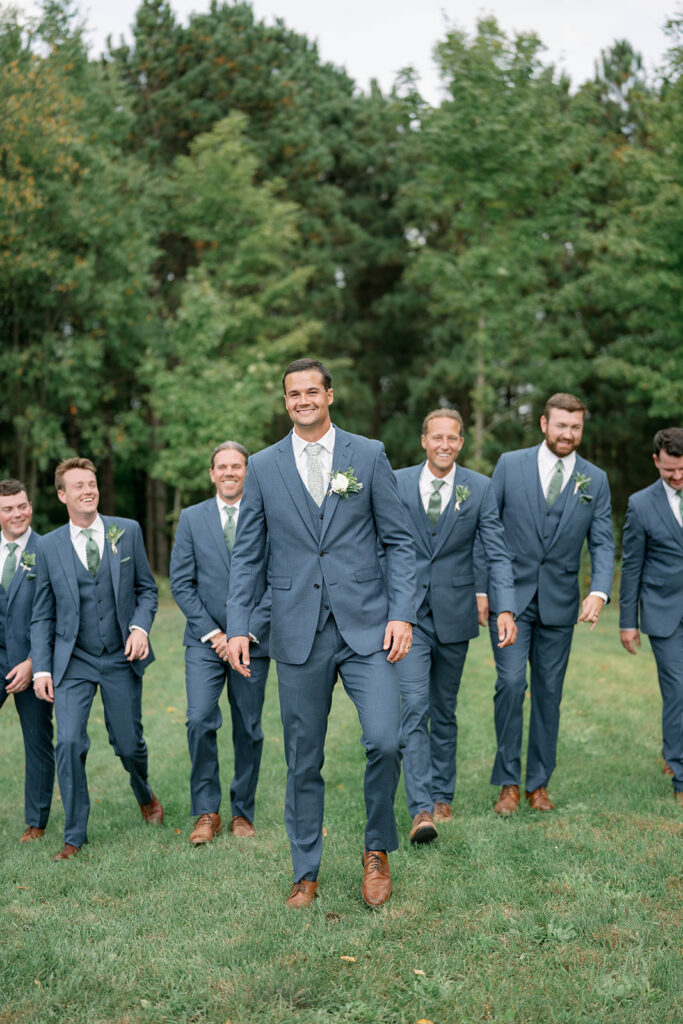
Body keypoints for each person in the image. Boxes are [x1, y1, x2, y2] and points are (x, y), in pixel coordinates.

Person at [227, 358, 416, 908]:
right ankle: (305, 872)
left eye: (313, 391)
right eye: (294, 394)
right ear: (285, 401)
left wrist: (402, 613)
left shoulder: (368, 454)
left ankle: (376, 850)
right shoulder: (263, 466)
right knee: (303, 759)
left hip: (368, 627)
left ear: (330, 395)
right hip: (295, 631)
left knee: (385, 739)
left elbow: (400, 541)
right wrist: (238, 625)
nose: (303, 400)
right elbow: (248, 554)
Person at [483, 393, 614, 814]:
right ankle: (508, 783)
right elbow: (488, 529)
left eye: (575, 427)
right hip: (511, 601)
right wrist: (485, 591)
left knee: (549, 693)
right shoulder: (510, 464)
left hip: (560, 604)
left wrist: (599, 590)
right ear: (544, 424)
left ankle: (538, 784)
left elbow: (603, 541)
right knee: (510, 685)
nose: (568, 434)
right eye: (561, 425)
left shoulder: (595, 479)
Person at [394, 410, 517, 842]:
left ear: (461, 443)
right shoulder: (397, 482)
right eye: (437, 437)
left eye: (452, 438)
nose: (444, 444)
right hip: (408, 615)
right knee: (413, 706)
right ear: (424, 440)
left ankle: (442, 794)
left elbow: (497, 552)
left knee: (444, 710)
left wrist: (505, 607)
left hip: (455, 614)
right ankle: (421, 808)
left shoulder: (479, 488)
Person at [31, 457, 162, 860]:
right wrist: (42, 668)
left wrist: (140, 628)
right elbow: (42, 613)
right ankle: (74, 835)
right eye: (78, 486)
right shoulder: (48, 546)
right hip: (73, 660)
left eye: (92, 483)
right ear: (62, 495)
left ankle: (144, 792)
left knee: (128, 744)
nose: (88, 491)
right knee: (69, 741)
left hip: (120, 656)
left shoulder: (127, 531)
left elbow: (147, 590)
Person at [170, 442, 271, 844]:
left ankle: (242, 812)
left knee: (249, 727)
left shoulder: (266, 515)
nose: (230, 472)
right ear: (212, 473)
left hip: (253, 642)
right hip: (205, 642)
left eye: (237, 466)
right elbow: (181, 583)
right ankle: (206, 812)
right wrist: (215, 635)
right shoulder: (191, 518)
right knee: (199, 719)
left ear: (248, 471)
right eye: (222, 466)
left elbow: (277, 580)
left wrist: (247, 631)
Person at [620, 427, 683, 806]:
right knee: (677, 690)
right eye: (669, 470)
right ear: (656, 461)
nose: (677, 477)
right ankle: (681, 777)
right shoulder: (641, 504)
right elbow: (631, 566)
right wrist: (628, 621)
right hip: (664, 612)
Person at [0, 479, 54, 842]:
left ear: (30, 507)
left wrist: (36, 661)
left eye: (22, 506)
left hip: (34, 661)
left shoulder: (49, 550)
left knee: (37, 739)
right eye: (8, 508)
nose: (17, 514)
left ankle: (36, 822)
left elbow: (60, 613)